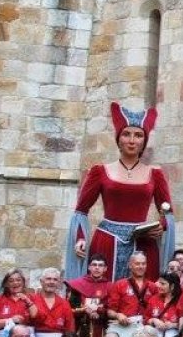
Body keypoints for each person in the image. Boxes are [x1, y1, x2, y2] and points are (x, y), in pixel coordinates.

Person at [68, 101, 174, 281]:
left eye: (138, 135)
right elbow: (81, 211)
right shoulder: (100, 172)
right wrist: (80, 238)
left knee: (142, 291)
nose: (132, 140)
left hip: (143, 243)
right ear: (118, 139)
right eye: (126, 134)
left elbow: (168, 213)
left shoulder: (155, 174)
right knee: (102, 290)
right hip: (107, 241)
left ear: (144, 141)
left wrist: (160, 226)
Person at [67, 254, 113, 337]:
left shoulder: (110, 287)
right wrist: (84, 310)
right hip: (81, 327)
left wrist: (100, 311)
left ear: (105, 268)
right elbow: (69, 309)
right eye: (94, 265)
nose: (97, 268)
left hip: (101, 329)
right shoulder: (77, 285)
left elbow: (112, 309)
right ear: (89, 267)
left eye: (100, 265)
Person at [107, 250, 155, 337]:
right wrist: (118, 315)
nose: (141, 266)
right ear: (130, 265)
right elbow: (110, 311)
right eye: (137, 264)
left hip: (145, 331)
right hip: (124, 330)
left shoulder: (153, 287)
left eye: (143, 264)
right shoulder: (119, 285)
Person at [30, 267, 75, 337]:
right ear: (41, 281)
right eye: (48, 279)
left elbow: (70, 328)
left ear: (59, 283)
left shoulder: (64, 303)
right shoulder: (32, 300)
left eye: (55, 279)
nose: (52, 282)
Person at [0, 269, 36, 335]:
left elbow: (35, 316)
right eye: (11, 281)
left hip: (26, 336)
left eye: (18, 280)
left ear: (23, 282)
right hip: (3, 336)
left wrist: (27, 300)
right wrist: (10, 320)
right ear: (6, 284)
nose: (15, 283)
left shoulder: (31, 298)